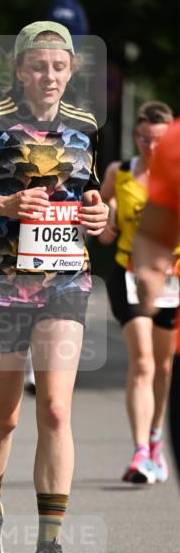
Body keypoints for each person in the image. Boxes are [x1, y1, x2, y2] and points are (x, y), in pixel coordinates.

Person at [0, 21, 109, 553]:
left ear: (71, 70)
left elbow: (91, 195)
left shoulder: (86, 126)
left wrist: (99, 214)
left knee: (57, 410)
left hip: (65, 282)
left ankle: (50, 548)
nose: (49, 76)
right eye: (38, 66)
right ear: (18, 70)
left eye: (59, 66)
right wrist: (4, 204)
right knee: (6, 415)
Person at [100, 101, 176, 483]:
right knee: (143, 362)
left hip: (173, 279)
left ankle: (156, 438)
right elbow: (100, 221)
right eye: (144, 139)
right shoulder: (120, 172)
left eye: (159, 140)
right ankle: (140, 452)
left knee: (163, 366)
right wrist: (106, 222)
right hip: (129, 272)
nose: (151, 147)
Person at [133, 119, 180, 478]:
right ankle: (143, 447)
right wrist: (149, 269)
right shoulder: (174, 142)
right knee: (146, 362)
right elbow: (154, 231)